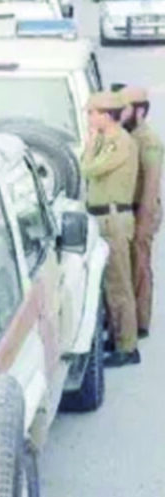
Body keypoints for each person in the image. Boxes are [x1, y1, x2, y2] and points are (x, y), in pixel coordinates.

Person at [82, 91, 140, 367]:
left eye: (92, 113)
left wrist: (90, 146)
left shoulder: (120, 143)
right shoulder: (105, 140)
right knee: (108, 284)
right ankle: (117, 338)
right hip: (102, 217)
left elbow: (90, 169)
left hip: (113, 219)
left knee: (118, 285)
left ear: (106, 115)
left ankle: (127, 346)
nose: (89, 118)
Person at [119, 86, 162, 339]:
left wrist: (144, 221)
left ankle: (140, 322)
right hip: (130, 209)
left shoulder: (148, 141)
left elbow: (151, 185)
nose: (120, 114)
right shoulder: (130, 136)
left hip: (142, 210)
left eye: (125, 109)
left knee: (140, 266)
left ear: (139, 111)